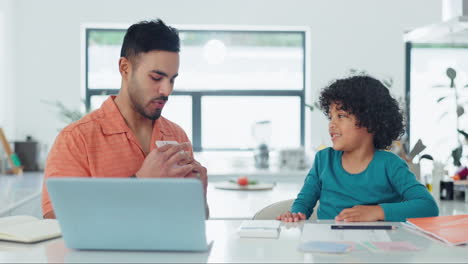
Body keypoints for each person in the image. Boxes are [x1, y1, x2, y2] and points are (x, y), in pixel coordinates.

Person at [42, 19, 208, 219]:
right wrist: (139, 185)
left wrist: (199, 197)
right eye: (156, 78)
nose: (167, 90)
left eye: (172, 79)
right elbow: (56, 222)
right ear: (125, 68)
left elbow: (193, 221)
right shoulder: (76, 139)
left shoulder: (176, 135)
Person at [277, 75, 438, 222]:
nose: (331, 124)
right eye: (331, 117)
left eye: (340, 116)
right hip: (328, 248)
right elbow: (303, 203)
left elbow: (428, 206)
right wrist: (295, 214)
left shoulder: (390, 164)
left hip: (378, 248)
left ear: (370, 121)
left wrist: (377, 212)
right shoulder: (323, 160)